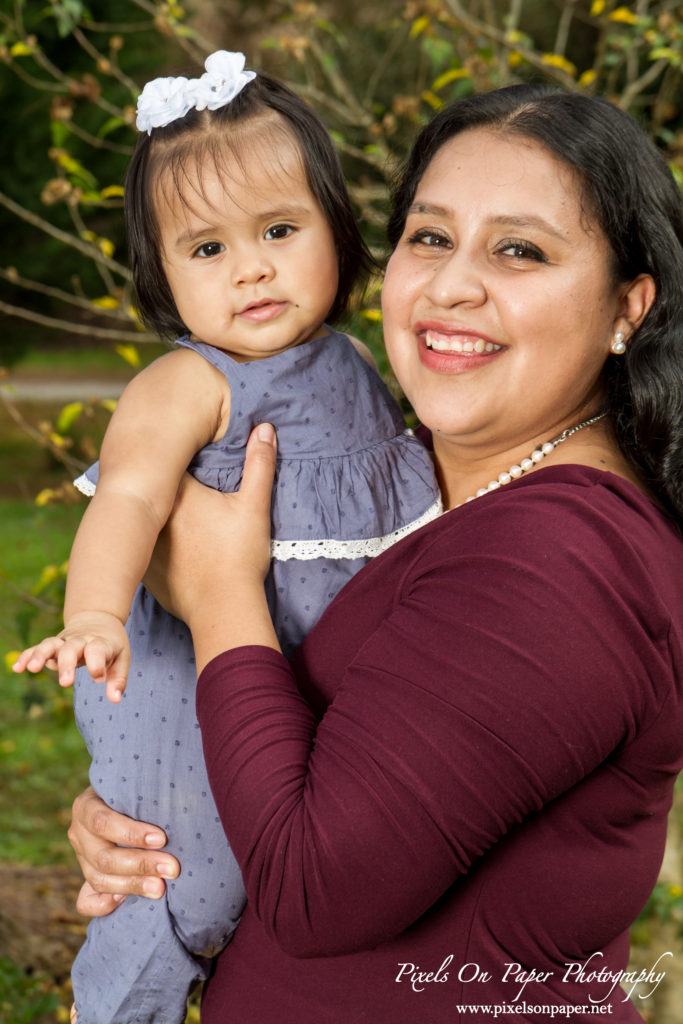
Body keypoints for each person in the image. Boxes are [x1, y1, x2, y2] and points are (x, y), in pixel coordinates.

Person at [68, 83, 683, 1023]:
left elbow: (318, 889)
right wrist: (154, 810)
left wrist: (219, 593)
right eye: (430, 237)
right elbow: (318, 748)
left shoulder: (559, 564)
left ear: (626, 308)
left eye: (519, 250)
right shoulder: (419, 479)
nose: (451, 286)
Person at [12, 50, 440, 1024]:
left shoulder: (357, 362)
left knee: (271, 864)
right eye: (205, 249)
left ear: (336, 229)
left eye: (279, 230)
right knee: (179, 879)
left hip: (288, 672)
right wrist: (94, 614)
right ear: (159, 272)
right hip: (180, 677)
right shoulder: (188, 382)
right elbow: (122, 496)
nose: (250, 267)